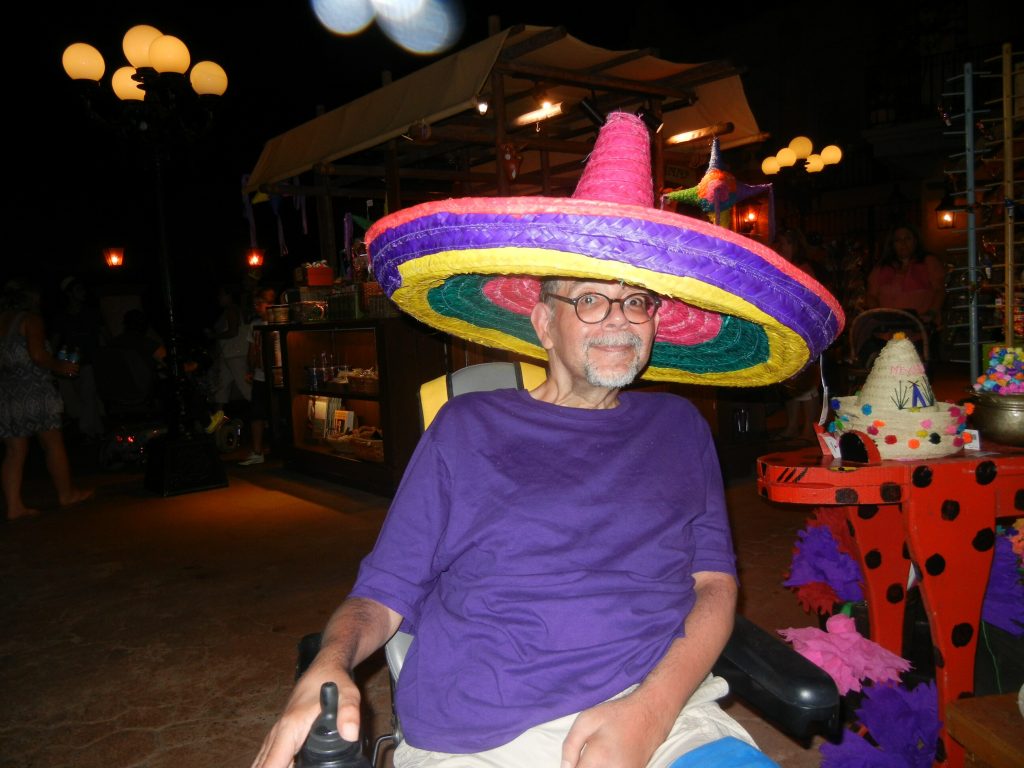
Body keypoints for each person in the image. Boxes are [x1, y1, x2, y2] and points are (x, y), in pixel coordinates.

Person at [250, 113, 843, 768]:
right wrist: (330, 664)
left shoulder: (678, 427)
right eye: (590, 299)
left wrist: (647, 715)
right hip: (483, 732)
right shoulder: (467, 429)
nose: (618, 320)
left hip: (662, 711)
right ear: (541, 322)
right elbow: (384, 591)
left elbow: (715, 587)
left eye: (636, 301)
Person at [0, 279, 93, 520]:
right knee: (52, 443)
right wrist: (62, 367)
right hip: (34, 390)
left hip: (8, 391)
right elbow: (39, 355)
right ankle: (66, 494)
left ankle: (13, 506)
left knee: (14, 451)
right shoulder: (29, 320)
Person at [773, 229, 823, 441]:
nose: (782, 248)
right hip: (785, 329)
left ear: (796, 246)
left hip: (803, 330)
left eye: (786, 243)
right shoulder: (779, 269)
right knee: (789, 382)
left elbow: (809, 300)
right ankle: (792, 425)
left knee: (806, 383)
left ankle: (809, 429)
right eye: (779, 243)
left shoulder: (803, 269)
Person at [50, 275, 108, 441]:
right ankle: (97, 430)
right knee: (77, 398)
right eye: (78, 290)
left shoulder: (92, 313)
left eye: (83, 289)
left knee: (89, 395)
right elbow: (55, 339)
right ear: (69, 293)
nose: (83, 293)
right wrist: (52, 363)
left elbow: (104, 335)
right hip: (68, 361)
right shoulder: (62, 316)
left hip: (90, 360)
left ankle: (87, 431)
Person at [865, 223, 946, 326]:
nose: (903, 243)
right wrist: (879, 317)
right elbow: (871, 296)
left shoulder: (929, 262)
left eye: (907, 238)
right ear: (892, 244)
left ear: (915, 241)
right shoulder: (881, 268)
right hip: (888, 329)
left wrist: (931, 313)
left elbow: (940, 290)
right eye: (898, 240)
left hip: (921, 327)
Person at [238, 287, 275, 466]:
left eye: (263, 303)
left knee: (277, 412)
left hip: (277, 376)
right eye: (258, 304)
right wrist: (249, 370)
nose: (259, 307)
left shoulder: (279, 323)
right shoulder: (255, 326)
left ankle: (280, 449)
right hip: (261, 376)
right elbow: (252, 351)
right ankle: (257, 451)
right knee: (256, 413)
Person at [206, 285, 252, 427]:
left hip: (236, 354)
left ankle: (264, 418)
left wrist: (213, 335)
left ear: (229, 296)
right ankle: (217, 421)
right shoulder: (230, 310)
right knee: (222, 387)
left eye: (221, 295)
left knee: (246, 389)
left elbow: (232, 332)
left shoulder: (232, 309)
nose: (219, 298)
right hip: (229, 355)